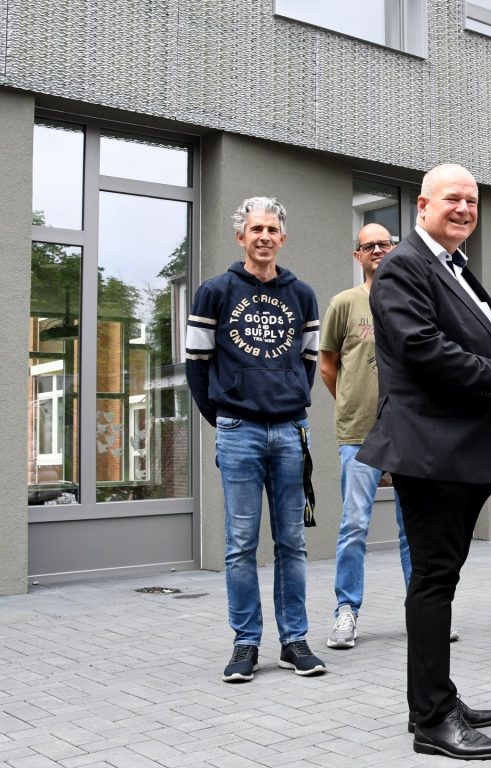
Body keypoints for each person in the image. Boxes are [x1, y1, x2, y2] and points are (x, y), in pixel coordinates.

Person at [358, 163, 491, 761]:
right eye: (452, 199)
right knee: (433, 581)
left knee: (442, 577)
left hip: (462, 450)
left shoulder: (452, 266)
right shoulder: (403, 265)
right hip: (432, 452)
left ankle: (439, 694)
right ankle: (432, 720)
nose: (464, 208)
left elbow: (470, 337)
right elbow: (422, 348)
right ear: (423, 207)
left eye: (473, 200)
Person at [185, 196, 326, 683]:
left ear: (282, 238)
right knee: (240, 544)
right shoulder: (214, 291)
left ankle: (294, 642)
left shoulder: (303, 294)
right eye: (255, 229)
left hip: (290, 430)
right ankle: (246, 644)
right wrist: (224, 415)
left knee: (291, 542)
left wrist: (288, 400)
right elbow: (196, 365)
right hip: (238, 431)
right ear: (240, 237)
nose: (264, 237)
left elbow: (309, 361)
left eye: (272, 229)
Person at [320, 224, 413, 650]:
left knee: (413, 527)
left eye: (384, 244)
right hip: (357, 433)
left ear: (394, 250)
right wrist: (353, 405)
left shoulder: (412, 301)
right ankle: (346, 612)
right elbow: (327, 366)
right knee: (355, 524)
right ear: (357, 255)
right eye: (368, 245)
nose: (377, 249)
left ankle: (421, 611)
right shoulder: (344, 304)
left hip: (407, 432)